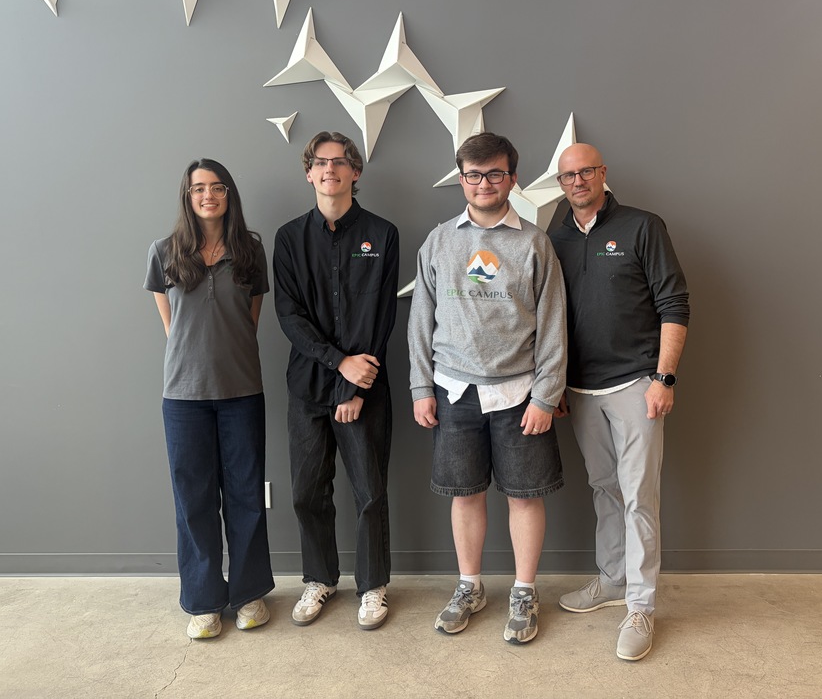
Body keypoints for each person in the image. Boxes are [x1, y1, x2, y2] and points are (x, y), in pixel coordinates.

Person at [408, 132, 567, 645]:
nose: (484, 184)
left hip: (520, 394)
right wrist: (420, 387)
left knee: (525, 498)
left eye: (495, 173)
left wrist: (546, 395)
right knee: (465, 495)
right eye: (473, 175)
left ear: (512, 179)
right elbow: (420, 320)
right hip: (453, 391)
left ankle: (524, 591)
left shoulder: (535, 243)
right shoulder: (439, 241)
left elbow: (554, 325)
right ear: (462, 180)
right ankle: (469, 586)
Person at [549, 143, 690, 661]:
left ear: (602, 173)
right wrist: (555, 385)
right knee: (604, 488)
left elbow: (674, 303)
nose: (578, 181)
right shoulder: (556, 236)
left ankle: (641, 606)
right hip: (580, 391)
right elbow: (550, 315)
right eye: (568, 175)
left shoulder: (643, 226)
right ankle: (612, 579)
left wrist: (664, 378)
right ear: (561, 183)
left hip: (636, 385)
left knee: (638, 497)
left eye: (586, 171)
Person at [273, 131, 399, 631]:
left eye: (341, 161)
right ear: (309, 173)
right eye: (321, 162)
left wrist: (354, 387)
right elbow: (289, 315)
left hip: (364, 388)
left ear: (355, 172)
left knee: (369, 492)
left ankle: (372, 586)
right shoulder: (288, 238)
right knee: (307, 492)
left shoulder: (383, 234)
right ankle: (319, 578)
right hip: (307, 386)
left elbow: (381, 317)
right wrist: (336, 363)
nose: (331, 169)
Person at [144, 158, 274, 639]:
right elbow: (171, 326)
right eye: (199, 188)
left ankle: (249, 594)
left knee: (246, 496)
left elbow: (249, 323)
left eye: (217, 187)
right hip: (184, 397)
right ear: (188, 195)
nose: (208, 195)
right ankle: (202, 601)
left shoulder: (251, 251)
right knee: (193, 499)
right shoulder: (164, 252)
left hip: (242, 392)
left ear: (228, 194)